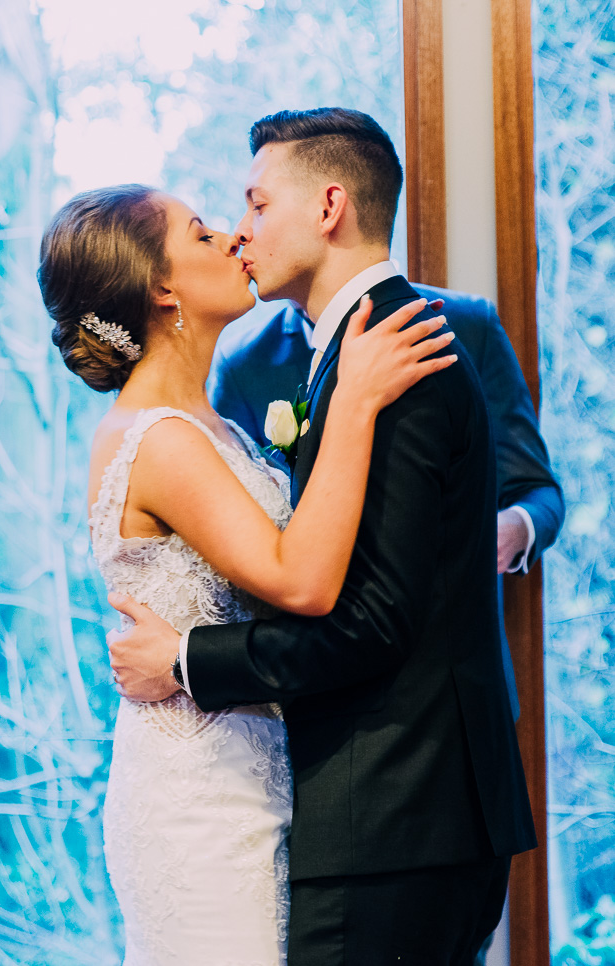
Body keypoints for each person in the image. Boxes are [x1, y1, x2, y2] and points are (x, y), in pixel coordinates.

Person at [108, 108, 538, 965]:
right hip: (388, 815)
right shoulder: (349, 356)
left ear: (330, 205)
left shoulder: (396, 353)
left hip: (396, 814)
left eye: (258, 206)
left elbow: (371, 621)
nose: (242, 233)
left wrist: (187, 662)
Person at [37, 182, 456, 966]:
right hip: (199, 800)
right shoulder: (158, 437)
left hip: (253, 776)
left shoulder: (214, 425)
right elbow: (300, 583)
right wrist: (358, 403)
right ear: (163, 290)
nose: (233, 238)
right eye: (200, 235)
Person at [207, 291, 565, 721]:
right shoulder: (245, 362)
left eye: (260, 215)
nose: (244, 232)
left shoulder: (468, 324)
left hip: (459, 687)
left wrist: (513, 528)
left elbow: (539, 490)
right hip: (323, 684)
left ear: (328, 218)